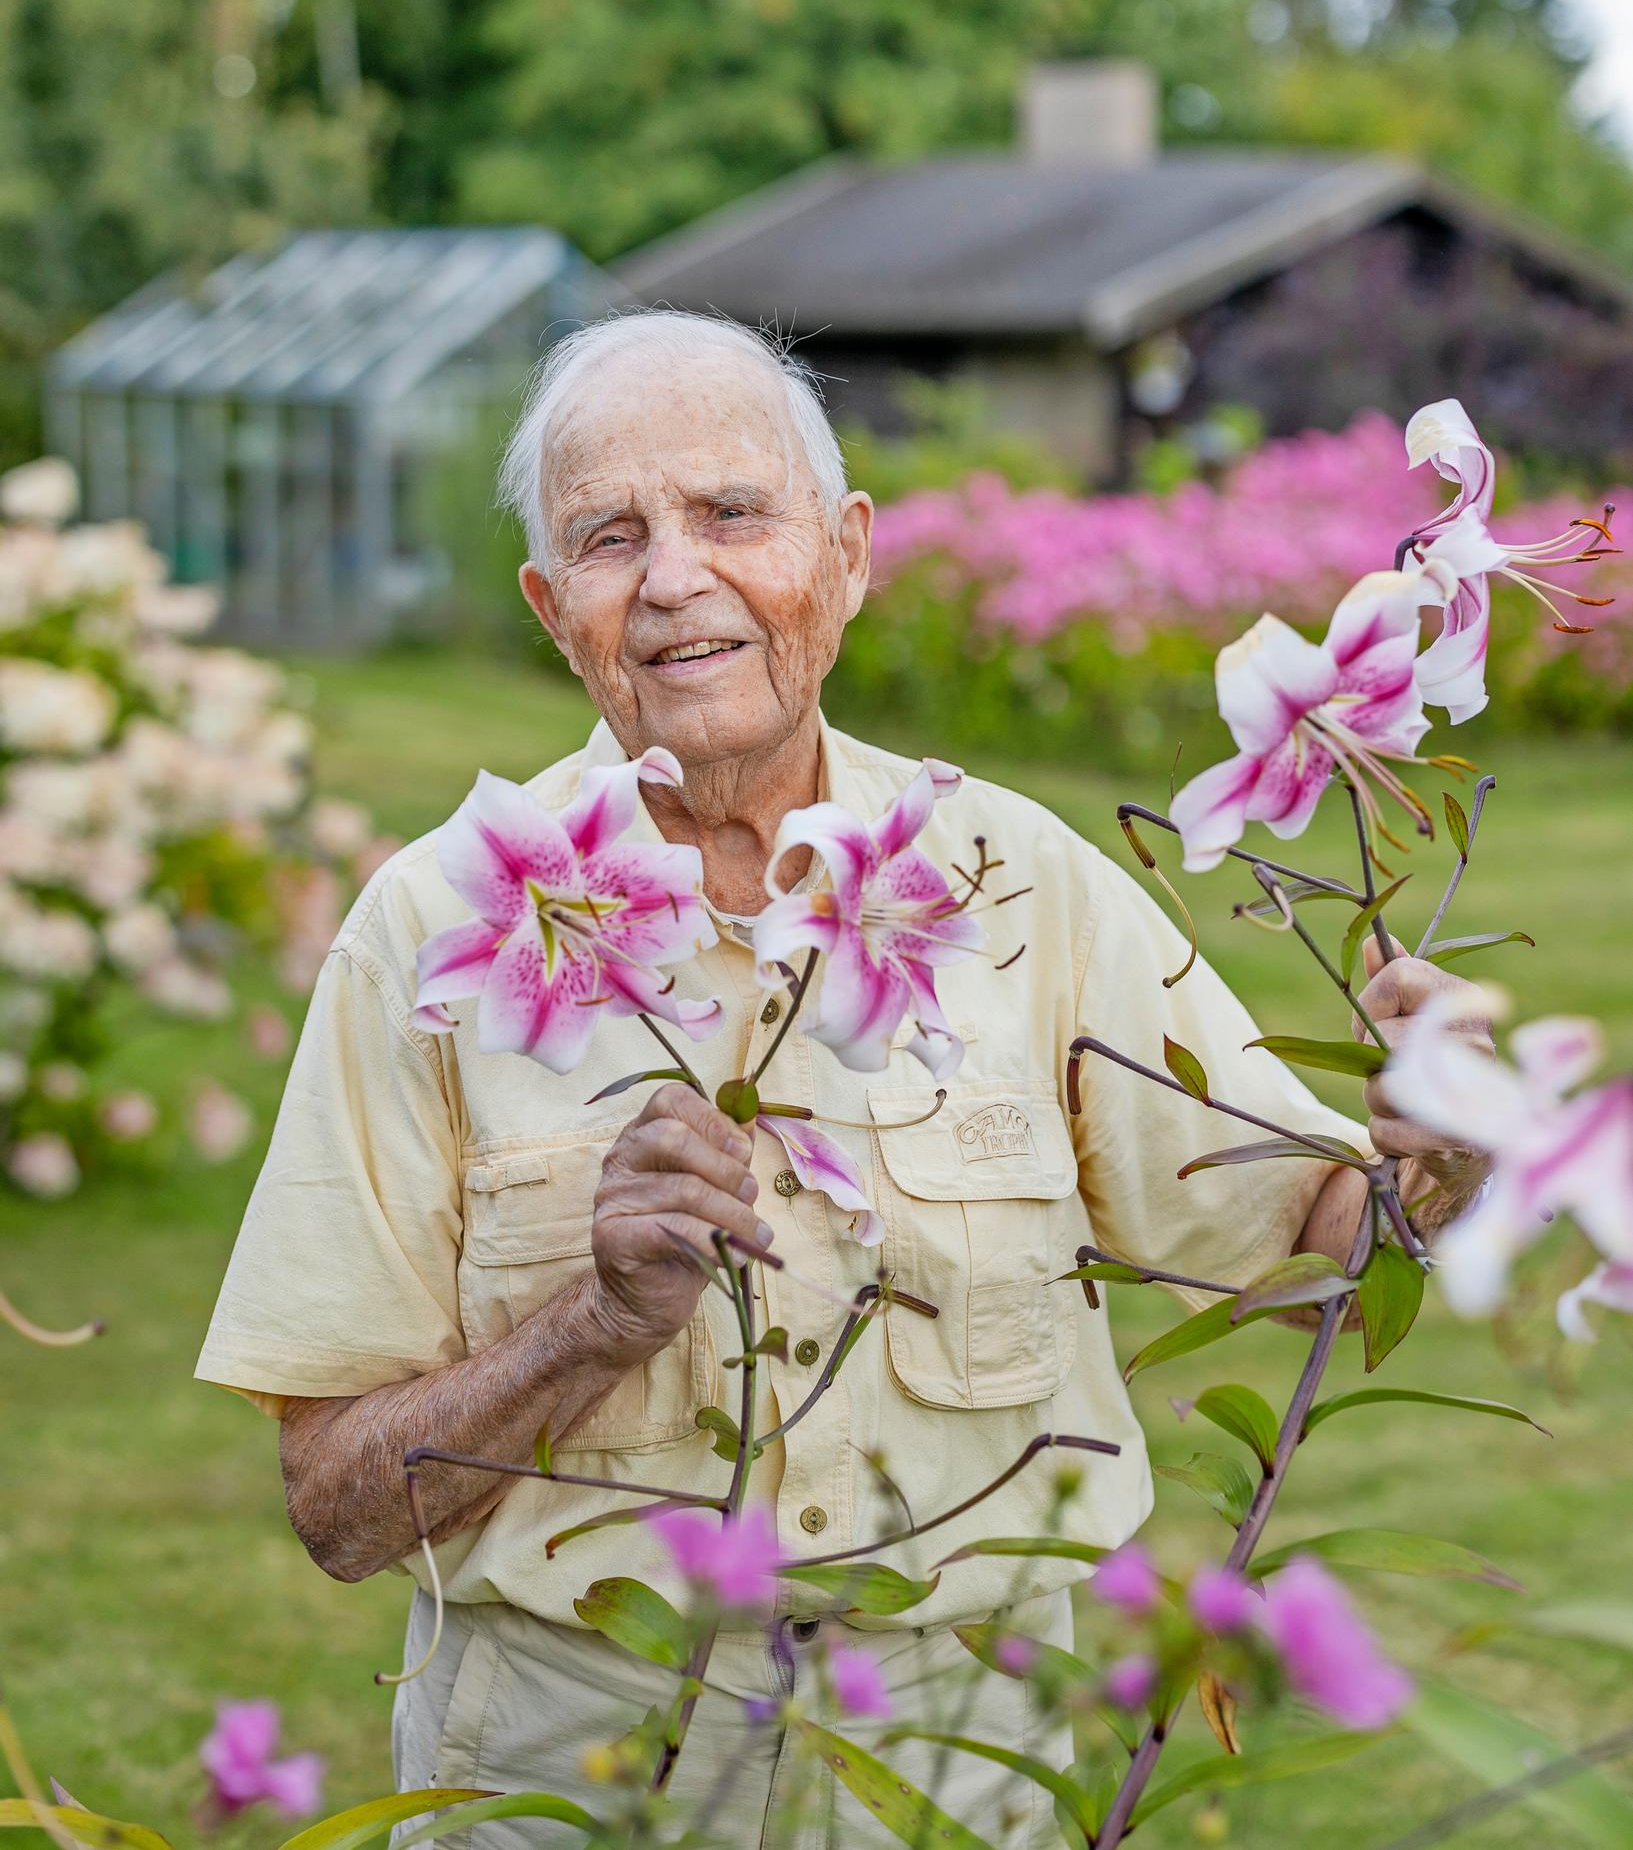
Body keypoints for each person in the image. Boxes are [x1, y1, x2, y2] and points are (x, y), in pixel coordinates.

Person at [197, 313, 1495, 1846]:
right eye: (611, 538)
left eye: (733, 514)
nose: (674, 576)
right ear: (557, 613)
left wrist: (1443, 1139)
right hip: (576, 1774)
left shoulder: (1015, 880)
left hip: (963, 1763)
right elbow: (336, 1506)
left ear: (848, 553)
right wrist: (592, 1324)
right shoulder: (437, 925)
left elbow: (1332, 1218)